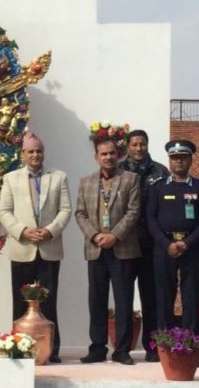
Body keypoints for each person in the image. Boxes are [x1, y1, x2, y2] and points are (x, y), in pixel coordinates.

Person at [0, 132, 72, 363]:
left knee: (49, 301)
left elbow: (65, 210)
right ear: (23, 155)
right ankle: (19, 346)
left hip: (49, 247)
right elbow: (4, 211)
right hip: (23, 247)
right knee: (20, 301)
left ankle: (52, 349)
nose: (35, 155)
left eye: (39, 151)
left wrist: (50, 230)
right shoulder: (11, 178)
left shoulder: (58, 177)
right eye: (30, 151)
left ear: (43, 153)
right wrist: (22, 230)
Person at [75, 138, 140, 365]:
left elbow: (133, 212)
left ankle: (122, 350)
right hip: (96, 249)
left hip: (122, 248)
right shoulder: (86, 182)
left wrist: (114, 235)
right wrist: (95, 236)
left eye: (112, 153)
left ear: (118, 154)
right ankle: (97, 348)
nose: (108, 157)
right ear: (96, 157)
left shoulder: (131, 179)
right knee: (97, 301)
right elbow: (80, 214)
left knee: (123, 301)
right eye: (103, 154)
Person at [146, 140, 199, 334]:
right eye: (175, 158)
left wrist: (187, 243)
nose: (179, 162)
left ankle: (190, 343)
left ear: (191, 159)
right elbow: (150, 219)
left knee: (191, 296)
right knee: (164, 296)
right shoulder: (158, 187)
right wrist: (167, 244)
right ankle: (165, 343)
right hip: (164, 248)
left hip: (191, 248)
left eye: (183, 157)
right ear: (169, 160)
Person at [117, 129, 168, 362]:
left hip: (151, 245)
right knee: (124, 298)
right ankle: (123, 349)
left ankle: (152, 347)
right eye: (135, 144)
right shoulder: (118, 170)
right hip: (125, 244)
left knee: (151, 298)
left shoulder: (160, 171)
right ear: (128, 146)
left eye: (143, 144)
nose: (139, 149)